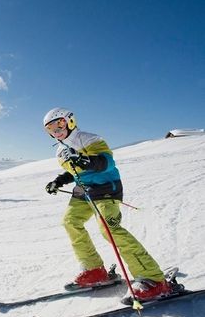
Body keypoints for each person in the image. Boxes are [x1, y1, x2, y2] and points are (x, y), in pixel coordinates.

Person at [43, 107, 172, 302]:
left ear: (69, 121)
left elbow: (106, 162)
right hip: (83, 190)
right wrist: (58, 181)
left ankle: (153, 279)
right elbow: (74, 171)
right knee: (70, 222)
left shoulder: (88, 139)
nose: (56, 130)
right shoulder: (61, 151)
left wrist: (85, 160)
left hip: (105, 188)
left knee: (108, 228)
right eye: (50, 128)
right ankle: (95, 270)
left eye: (59, 123)